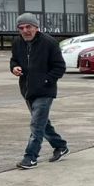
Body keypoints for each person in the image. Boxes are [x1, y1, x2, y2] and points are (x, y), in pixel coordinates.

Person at [8, 12, 69, 169]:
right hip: (27, 90)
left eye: (28, 27)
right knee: (42, 123)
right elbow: (14, 60)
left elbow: (59, 67)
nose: (25, 31)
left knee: (36, 125)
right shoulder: (17, 42)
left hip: (45, 91)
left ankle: (30, 157)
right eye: (21, 28)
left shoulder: (49, 43)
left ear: (36, 27)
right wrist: (14, 67)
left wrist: (46, 81)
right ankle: (60, 145)